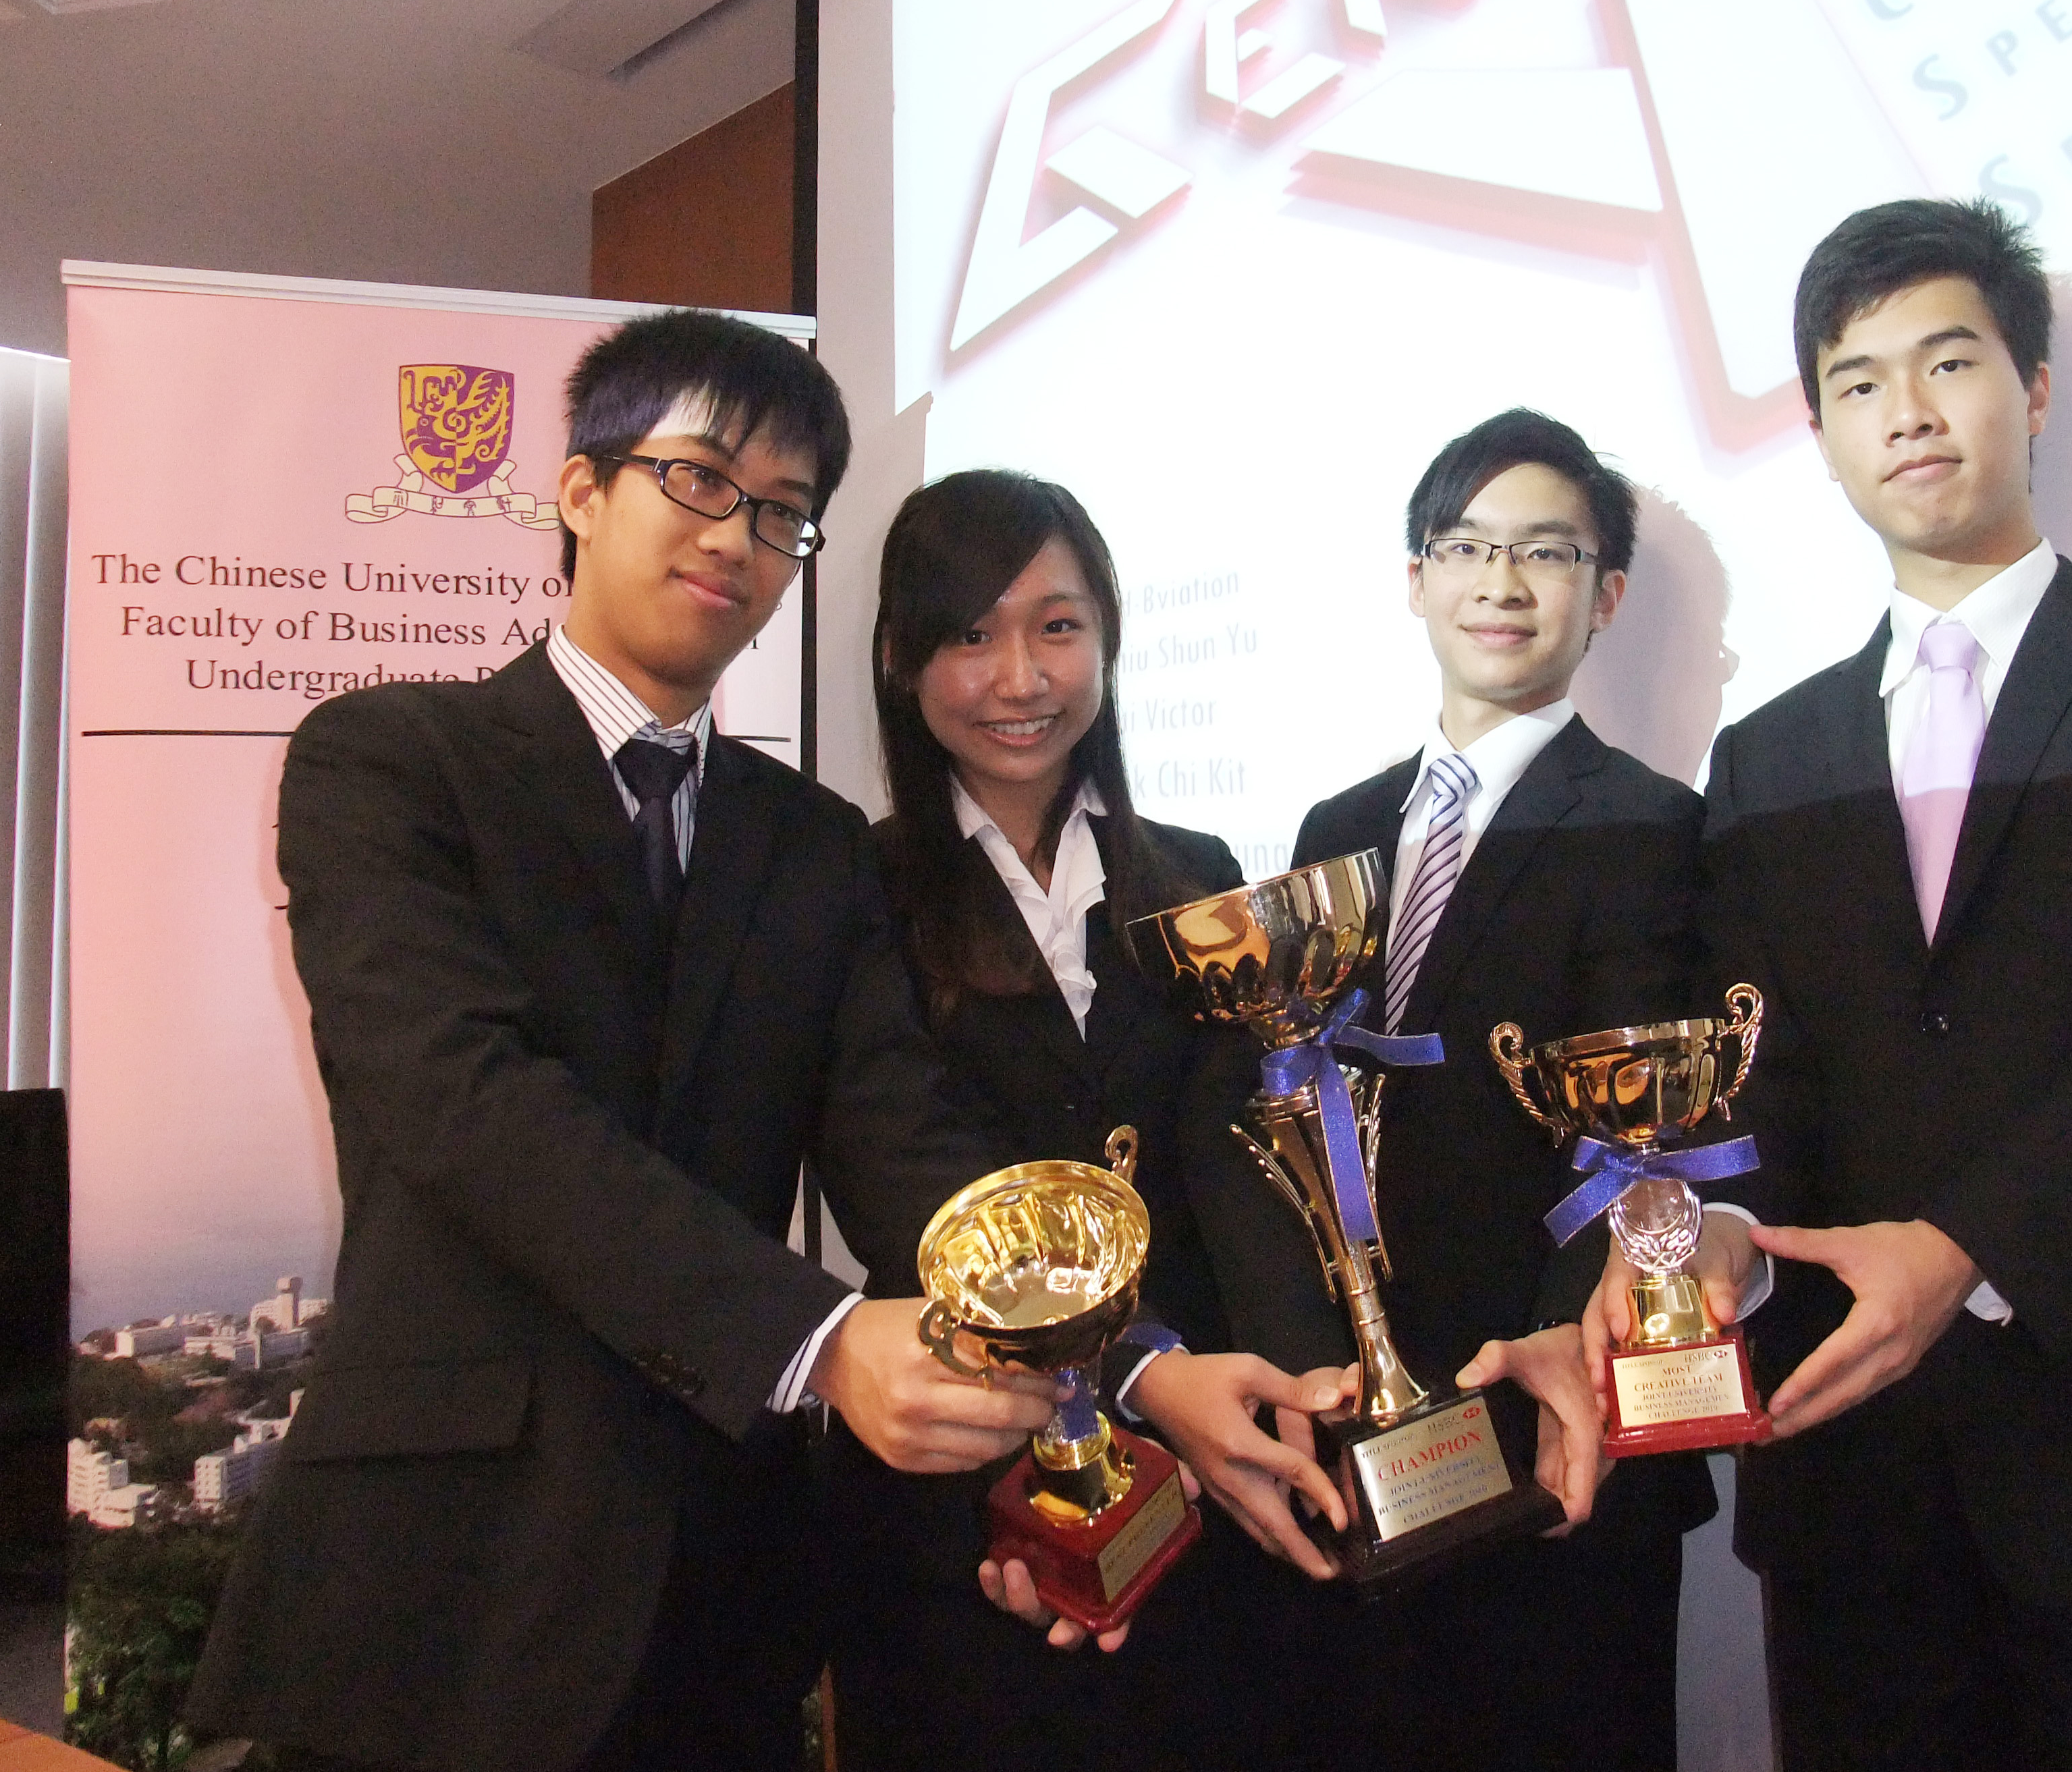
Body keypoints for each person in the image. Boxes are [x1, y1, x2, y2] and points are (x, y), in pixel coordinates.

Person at [189, 311, 1057, 1772]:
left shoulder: (815, 844)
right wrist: (821, 1336)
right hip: (443, 1578)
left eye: (784, 515)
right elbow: (467, 1103)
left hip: (716, 1589)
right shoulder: (388, 759)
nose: (739, 536)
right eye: (700, 479)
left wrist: (1110, 1363)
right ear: (584, 493)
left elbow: (900, 1142)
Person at [1591, 198, 2072, 1768]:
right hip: (1855, 1486)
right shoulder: (1769, 752)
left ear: (2034, 385)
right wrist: (1714, 1236)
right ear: (1816, 428)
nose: (1907, 412)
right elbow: (1758, 1069)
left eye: (1948, 360)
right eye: (1857, 382)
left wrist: (1961, 1249)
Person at [825, 469, 1349, 1772]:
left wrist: (1298, 1389)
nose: (1021, 676)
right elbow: (904, 1174)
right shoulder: (852, 885)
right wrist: (1140, 1372)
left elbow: (1241, 1163)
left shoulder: (1200, 872)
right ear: (900, 660)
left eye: (1057, 627)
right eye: (970, 634)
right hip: (971, 1481)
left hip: (1219, 1465)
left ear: (1108, 640)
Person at [1278, 410, 1714, 1772]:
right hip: (1366, 1423)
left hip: (1552, 1430)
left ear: (1606, 596)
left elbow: (1651, 1148)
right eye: (1465, 546)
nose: (1501, 582)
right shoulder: (1332, 830)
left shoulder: (1655, 824)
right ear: (1415, 579)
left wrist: (1549, 1377)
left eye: (1545, 552)